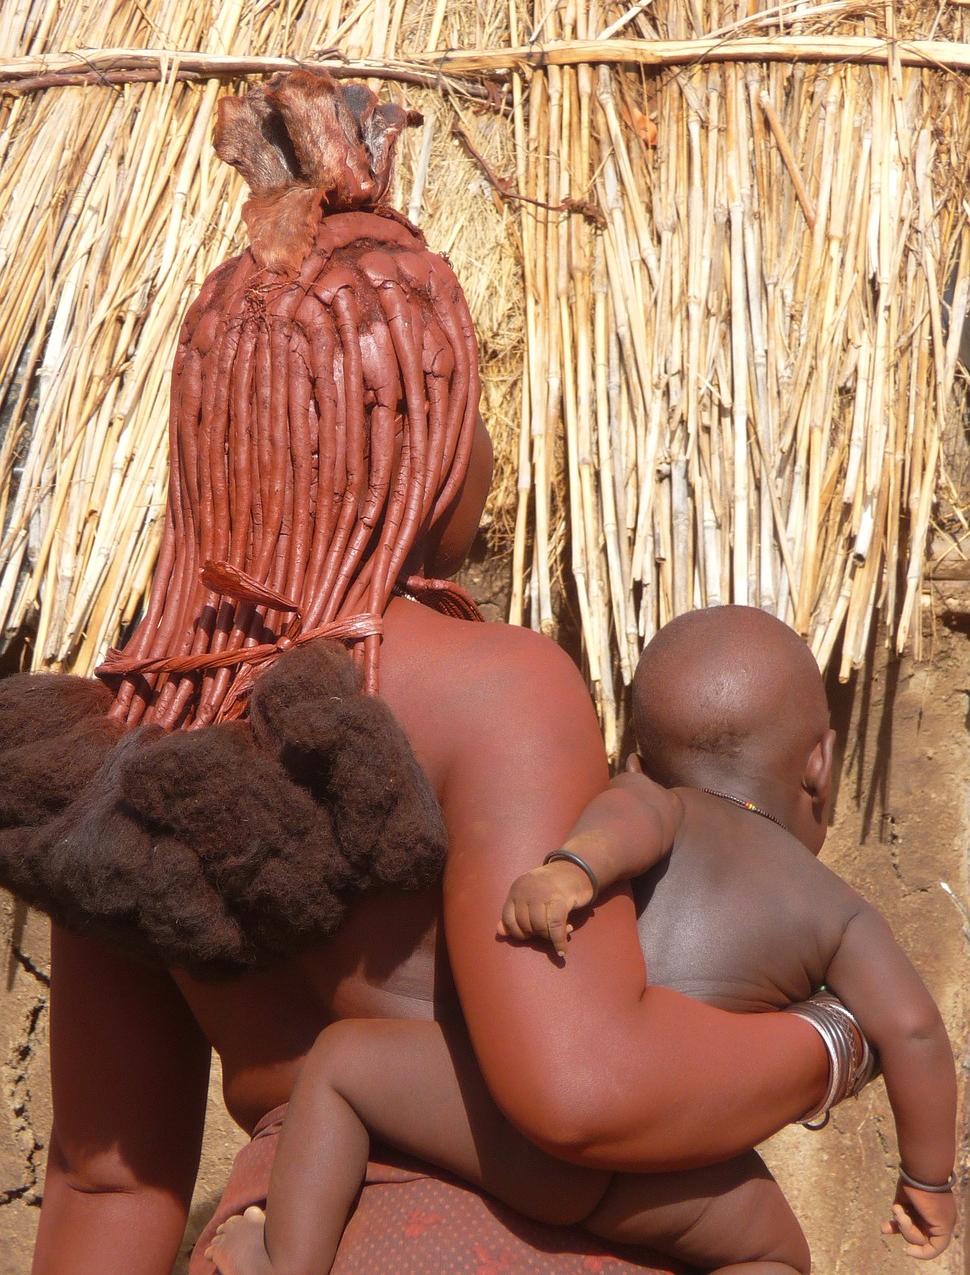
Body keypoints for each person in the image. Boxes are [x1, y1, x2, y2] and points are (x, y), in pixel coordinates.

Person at [26, 74, 844, 1275]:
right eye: (464, 404)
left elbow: (106, 1181)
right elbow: (580, 1091)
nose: (487, 452)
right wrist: (836, 1039)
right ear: (412, 434)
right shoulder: (497, 691)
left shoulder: (129, 729)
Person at [204, 606, 957, 1275]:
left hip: (521, 1149)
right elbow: (916, 1031)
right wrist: (928, 1182)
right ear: (820, 765)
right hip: (671, 1183)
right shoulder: (840, 910)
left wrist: (572, 870)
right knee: (775, 1254)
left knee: (342, 1062)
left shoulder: (652, 802)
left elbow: (625, 825)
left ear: (632, 762)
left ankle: (283, 1257)